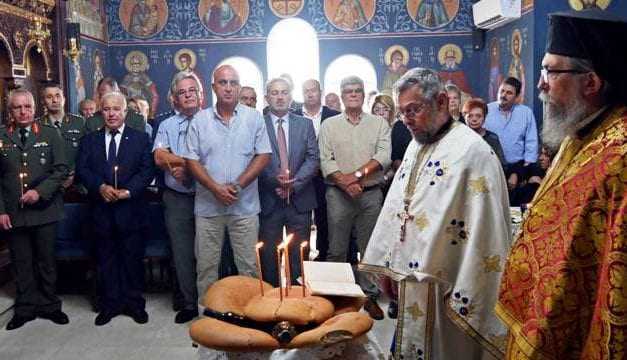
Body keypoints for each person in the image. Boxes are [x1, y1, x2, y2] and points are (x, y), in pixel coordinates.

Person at [497, 10, 627, 358]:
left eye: (550, 71)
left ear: (591, 82)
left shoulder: (619, 156)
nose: (539, 83)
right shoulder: (578, 134)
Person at [360, 68, 511, 358]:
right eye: (402, 112)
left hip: (450, 283)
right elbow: (398, 209)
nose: (407, 120)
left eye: (414, 110)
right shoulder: (416, 146)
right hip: (411, 281)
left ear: (441, 102)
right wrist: (392, 267)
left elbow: (486, 232)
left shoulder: (473, 153)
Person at [183, 65, 271, 298]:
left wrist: (238, 185)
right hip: (208, 209)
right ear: (214, 87)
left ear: (239, 86)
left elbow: (263, 155)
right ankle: (210, 319)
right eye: (223, 83)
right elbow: (191, 159)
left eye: (233, 82)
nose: (229, 88)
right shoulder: (200, 121)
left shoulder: (254, 118)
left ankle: (249, 316)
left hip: (244, 207)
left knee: (249, 267)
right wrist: (215, 188)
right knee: (206, 267)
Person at [76, 92, 155, 326]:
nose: (111, 114)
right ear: (101, 112)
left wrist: (128, 191)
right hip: (101, 211)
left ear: (125, 113)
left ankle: (134, 304)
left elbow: (146, 170)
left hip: (131, 210)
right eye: (107, 109)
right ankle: (109, 305)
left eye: (116, 109)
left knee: (132, 259)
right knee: (106, 260)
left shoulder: (140, 138)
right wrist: (99, 186)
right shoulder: (90, 140)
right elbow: (82, 169)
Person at [319, 75, 391, 320]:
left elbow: (384, 155)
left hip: (370, 194)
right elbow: (325, 159)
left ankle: (369, 297)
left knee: (369, 249)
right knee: (336, 249)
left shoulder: (378, 124)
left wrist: (357, 176)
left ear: (363, 95)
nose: (353, 94)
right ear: (341, 95)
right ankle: (336, 298)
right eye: (348, 91)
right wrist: (345, 182)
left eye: (357, 91)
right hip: (338, 194)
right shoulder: (329, 125)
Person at [0, 89, 70, 330]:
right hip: (14, 213)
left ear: (34, 108)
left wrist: (39, 192)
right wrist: (1, 211)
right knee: (21, 262)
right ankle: (25, 308)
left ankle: (50, 306)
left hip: (45, 209)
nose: (23, 111)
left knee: (46, 262)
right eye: (17, 107)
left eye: (27, 106)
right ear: (10, 111)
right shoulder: (1, 136)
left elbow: (61, 169)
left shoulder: (51, 135)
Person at [258, 77, 319, 286]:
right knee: (269, 257)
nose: (280, 96)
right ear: (267, 98)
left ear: (291, 97)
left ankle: (298, 303)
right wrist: (276, 182)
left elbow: (313, 158)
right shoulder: (258, 124)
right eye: (274, 93)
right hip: (269, 200)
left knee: (299, 256)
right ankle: (272, 302)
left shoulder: (305, 124)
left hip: (300, 201)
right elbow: (254, 158)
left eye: (284, 92)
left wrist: (294, 185)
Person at [153, 72, 202, 323]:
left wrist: (188, 166)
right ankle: (189, 303)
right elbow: (160, 157)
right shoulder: (166, 125)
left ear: (200, 94)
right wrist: (189, 163)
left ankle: (211, 302)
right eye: (182, 92)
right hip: (177, 196)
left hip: (208, 195)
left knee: (209, 251)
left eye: (192, 90)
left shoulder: (212, 121)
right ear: (174, 98)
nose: (188, 95)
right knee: (181, 251)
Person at [294, 79, 340, 261]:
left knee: (325, 219)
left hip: (326, 177)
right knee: (301, 221)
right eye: (306, 91)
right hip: (300, 177)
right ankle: (301, 260)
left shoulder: (334, 115)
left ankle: (323, 257)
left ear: (320, 92)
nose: (310, 94)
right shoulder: (294, 115)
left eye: (313, 90)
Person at [484, 77, 538, 194]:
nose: (503, 95)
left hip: (517, 170)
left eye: (509, 93)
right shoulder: (486, 110)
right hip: (490, 168)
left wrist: (525, 170)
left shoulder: (526, 113)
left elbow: (531, 142)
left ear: (517, 97)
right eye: (502, 91)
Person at [38, 84, 87, 189]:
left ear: (63, 99)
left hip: (77, 184)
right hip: (48, 185)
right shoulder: (37, 125)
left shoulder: (79, 122)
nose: (54, 100)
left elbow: (87, 152)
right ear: (43, 101)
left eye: (58, 96)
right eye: (49, 97)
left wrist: (75, 174)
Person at [462, 98, 506, 166]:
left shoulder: (493, 138)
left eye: (478, 116)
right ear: (464, 117)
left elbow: (501, 165)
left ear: (484, 117)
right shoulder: (459, 137)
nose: (474, 119)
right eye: (470, 116)